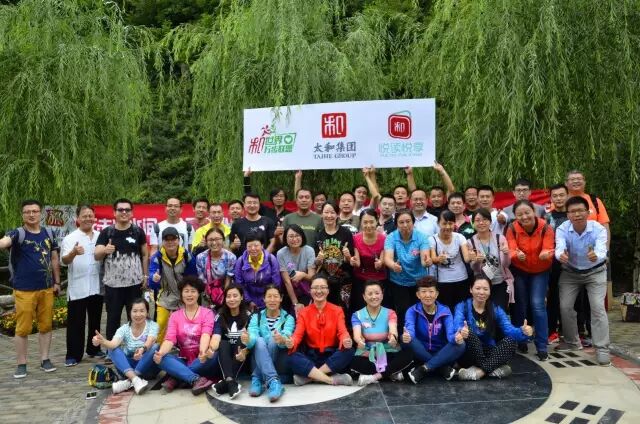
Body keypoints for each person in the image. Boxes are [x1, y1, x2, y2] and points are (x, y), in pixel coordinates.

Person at [0, 199, 61, 378]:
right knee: (23, 328)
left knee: (46, 326)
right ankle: (21, 363)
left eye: (35, 211)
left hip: (46, 288)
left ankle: (45, 359)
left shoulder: (49, 233)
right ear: (23, 215)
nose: (31, 214)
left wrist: (57, 282)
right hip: (24, 289)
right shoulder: (17, 233)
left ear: (40, 213)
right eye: (27, 212)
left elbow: (54, 258)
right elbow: (4, 242)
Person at [555, 196, 610, 365]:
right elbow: (559, 247)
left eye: (580, 211)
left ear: (588, 212)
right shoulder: (563, 228)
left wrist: (596, 255)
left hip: (595, 272)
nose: (577, 214)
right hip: (570, 273)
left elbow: (602, 250)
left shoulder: (598, 229)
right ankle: (573, 342)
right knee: (565, 306)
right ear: (567, 215)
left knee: (598, 307)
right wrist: (561, 255)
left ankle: (602, 349)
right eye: (572, 211)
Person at [454, 277, 534, 381]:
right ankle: (493, 369)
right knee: (468, 332)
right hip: (469, 353)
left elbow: (509, 330)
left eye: (485, 289)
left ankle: (480, 372)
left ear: (490, 291)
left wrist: (523, 331)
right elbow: (457, 324)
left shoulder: (495, 309)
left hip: (488, 351)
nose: (481, 292)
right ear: (471, 289)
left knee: (511, 341)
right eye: (478, 288)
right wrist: (461, 331)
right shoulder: (462, 306)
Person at [506, 200, 554, 361]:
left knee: (537, 305)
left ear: (534, 211)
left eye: (527, 212)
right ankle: (521, 339)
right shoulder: (512, 228)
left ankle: (542, 345)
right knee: (520, 305)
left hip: (540, 271)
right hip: (520, 270)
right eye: (519, 214)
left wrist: (546, 253)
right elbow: (510, 247)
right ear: (515, 216)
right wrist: (515, 254)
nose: (524, 217)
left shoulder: (546, 227)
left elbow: (549, 247)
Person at [95, 198, 149, 341]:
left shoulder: (138, 231)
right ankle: (112, 348)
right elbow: (96, 255)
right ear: (114, 212)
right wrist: (105, 250)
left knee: (137, 317)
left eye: (127, 210)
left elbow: (145, 254)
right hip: (113, 286)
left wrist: (145, 276)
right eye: (120, 210)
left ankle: (136, 345)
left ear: (132, 213)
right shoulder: (107, 232)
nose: (124, 212)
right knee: (113, 319)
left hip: (134, 284)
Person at [286, 277, 355, 386]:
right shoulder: (303, 312)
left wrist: (346, 340)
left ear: (328, 290)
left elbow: (343, 332)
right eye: (315, 288)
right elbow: (297, 335)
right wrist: (292, 342)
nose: (319, 291)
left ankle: (310, 378)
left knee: (349, 350)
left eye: (322, 287)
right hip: (311, 358)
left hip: (331, 359)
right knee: (291, 356)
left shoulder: (337, 310)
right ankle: (331, 380)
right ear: (310, 290)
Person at [152, 276, 216, 395]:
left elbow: (206, 334)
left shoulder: (207, 313)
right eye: (186, 291)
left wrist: (203, 351)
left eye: (193, 291)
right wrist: (161, 353)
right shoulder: (175, 316)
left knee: (213, 355)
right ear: (181, 294)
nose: (189, 295)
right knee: (162, 358)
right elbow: (169, 339)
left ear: (198, 294)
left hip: (201, 359)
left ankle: (176, 377)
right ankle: (195, 379)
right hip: (184, 360)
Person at [61, 204, 103, 367]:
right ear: (77, 218)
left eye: (90, 215)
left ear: (94, 218)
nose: (88, 218)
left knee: (95, 320)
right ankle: (73, 355)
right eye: (84, 216)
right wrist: (73, 252)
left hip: (96, 285)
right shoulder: (70, 238)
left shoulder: (100, 236)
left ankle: (94, 349)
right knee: (76, 322)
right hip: (78, 287)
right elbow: (64, 261)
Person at [350, 280, 413, 385]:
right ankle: (391, 372)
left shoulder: (390, 313)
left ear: (382, 295)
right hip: (367, 353)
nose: (374, 296)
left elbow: (393, 330)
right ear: (364, 297)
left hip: (388, 351)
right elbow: (357, 335)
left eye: (377, 293)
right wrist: (359, 341)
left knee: (408, 353)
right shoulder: (357, 315)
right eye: (370, 294)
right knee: (353, 361)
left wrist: (393, 338)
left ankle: (375, 377)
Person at [403, 277, 465, 383]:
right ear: (418, 294)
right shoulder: (412, 310)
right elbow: (410, 329)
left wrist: (456, 337)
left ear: (436, 294)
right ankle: (441, 368)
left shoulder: (445, 311)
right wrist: (408, 335)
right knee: (407, 340)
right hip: (421, 351)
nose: (428, 295)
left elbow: (450, 334)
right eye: (424, 292)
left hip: (442, 351)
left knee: (461, 344)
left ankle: (424, 368)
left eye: (431, 291)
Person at [91, 298, 159, 394]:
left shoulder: (153, 325)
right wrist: (102, 341)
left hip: (148, 369)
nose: (138, 314)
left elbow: (150, 341)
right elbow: (113, 344)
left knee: (155, 347)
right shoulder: (124, 329)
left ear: (147, 312)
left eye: (142, 311)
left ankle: (128, 382)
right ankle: (135, 379)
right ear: (130, 313)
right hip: (127, 368)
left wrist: (142, 350)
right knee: (112, 349)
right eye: (135, 311)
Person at [383, 210, 432, 329]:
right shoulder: (391, 237)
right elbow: (387, 258)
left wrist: (427, 262)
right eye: (401, 222)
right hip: (399, 281)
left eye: (408, 221)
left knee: (419, 310)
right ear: (396, 224)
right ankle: (403, 335)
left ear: (413, 222)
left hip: (419, 281)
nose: (405, 225)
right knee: (403, 311)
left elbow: (424, 259)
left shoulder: (422, 237)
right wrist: (393, 265)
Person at [148, 227, 198, 343]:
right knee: (160, 325)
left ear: (178, 240)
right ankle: (158, 349)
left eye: (173, 239)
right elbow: (152, 282)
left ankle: (185, 348)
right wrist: (154, 279)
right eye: (167, 239)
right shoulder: (157, 257)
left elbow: (193, 278)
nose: (170, 242)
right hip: (165, 296)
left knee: (185, 326)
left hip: (184, 297)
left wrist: (189, 294)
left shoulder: (187, 256)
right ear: (162, 242)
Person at [245, 285, 294, 401]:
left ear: (281, 298)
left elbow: (287, 335)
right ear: (264, 299)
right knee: (259, 340)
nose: (272, 300)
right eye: (269, 296)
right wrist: (248, 339)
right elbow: (252, 335)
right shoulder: (256, 317)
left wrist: (282, 339)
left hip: (278, 360)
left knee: (273, 339)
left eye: (275, 296)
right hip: (258, 358)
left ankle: (257, 378)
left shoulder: (288, 318)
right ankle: (273, 381)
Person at [207, 284, 253, 399]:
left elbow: (251, 340)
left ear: (241, 297)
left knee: (241, 339)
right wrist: (211, 348)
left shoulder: (249, 316)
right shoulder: (220, 315)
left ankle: (226, 382)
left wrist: (245, 352)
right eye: (228, 296)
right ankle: (230, 381)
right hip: (225, 356)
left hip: (242, 355)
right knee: (223, 343)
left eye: (235, 296)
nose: (232, 299)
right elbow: (216, 336)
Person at [467, 208, 513, 311]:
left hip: (499, 283)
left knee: (499, 313)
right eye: (477, 220)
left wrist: (506, 254)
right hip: (481, 286)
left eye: (485, 219)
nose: (481, 223)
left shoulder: (500, 238)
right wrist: (477, 261)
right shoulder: (470, 242)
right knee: (483, 313)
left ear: (490, 222)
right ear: (473, 223)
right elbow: (474, 268)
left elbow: (506, 265)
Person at [315, 202, 355, 311]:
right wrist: (318, 259)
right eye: (326, 212)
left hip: (344, 279)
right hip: (325, 281)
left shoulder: (346, 233)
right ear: (322, 214)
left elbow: (351, 261)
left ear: (337, 214)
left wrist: (348, 256)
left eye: (332, 212)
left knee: (343, 309)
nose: (329, 215)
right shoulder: (319, 235)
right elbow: (316, 263)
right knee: (326, 309)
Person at [430, 210, 472, 310]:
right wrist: (438, 259)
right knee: (445, 309)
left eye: (450, 223)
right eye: (444, 223)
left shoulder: (460, 237)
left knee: (461, 310)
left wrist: (472, 256)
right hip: (442, 281)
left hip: (461, 278)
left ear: (454, 223)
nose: (448, 227)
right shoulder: (432, 239)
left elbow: (466, 258)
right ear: (438, 223)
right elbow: (433, 258)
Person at [545, 183, 569, 343]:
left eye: (561, 195)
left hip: (573, 261)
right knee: (553, 296)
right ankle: (552, 330)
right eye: (555, 196)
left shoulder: (574, 214)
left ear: (567, 196)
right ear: (551, 198)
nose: (559, 198)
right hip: (553, 261)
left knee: (574, 298)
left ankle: (574, 331)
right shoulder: (547, 217)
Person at [350, 210, 387, 314]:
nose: (368, 225)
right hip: (360, 279)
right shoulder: (355, 239)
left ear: (377, 221)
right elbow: (357, 262)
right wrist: (352, 260)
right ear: (361, 223)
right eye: (365, 222)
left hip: (379, 279)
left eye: (371, 222)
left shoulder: (384, 239)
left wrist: (381, 263)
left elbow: (383, 261)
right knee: (360, 310)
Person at [234, 232, 282, 311]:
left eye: (256, 245)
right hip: (247, 302)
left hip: (268, 301)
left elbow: (276, 283)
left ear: (262, 245)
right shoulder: (241, 261)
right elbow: (240, 284)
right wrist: (249, 301)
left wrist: (268, 300)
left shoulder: (271, 259)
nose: (253, 249)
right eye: (249, 246)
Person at [277, 224, 316, 315]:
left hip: (305, 290)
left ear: (302, 236)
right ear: (285, 238)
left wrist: (303, 275)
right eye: (291, 236)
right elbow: (286, 281)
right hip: (288, 291)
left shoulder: (309, 250)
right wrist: (295, 303)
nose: (294, 239)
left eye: (297, 235)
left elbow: (312, 277)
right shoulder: (281, 253)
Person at [196, 227, 237, 309]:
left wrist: (223, 295)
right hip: (207, 293)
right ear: (206, 241)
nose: (214, 243)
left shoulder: (230, 257)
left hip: (225, 292)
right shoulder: (201, 257)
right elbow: (202, 279)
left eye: (217, 239)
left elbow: (229, 279)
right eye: (211, 240)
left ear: (223, 240)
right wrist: (209, 294)